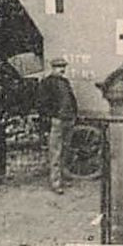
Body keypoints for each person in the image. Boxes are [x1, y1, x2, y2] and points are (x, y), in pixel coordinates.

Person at [37, 56, 77, 194]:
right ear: (53, 68)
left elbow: (70, 99)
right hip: (57, 121)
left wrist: (73, 114)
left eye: (63, 67)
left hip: (68, 119)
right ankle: (55, 182)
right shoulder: (47, 83)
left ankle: (63, 178)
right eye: (59, 67)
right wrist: (52, 116)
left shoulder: (65, 82)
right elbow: (42, 104)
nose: (62, 69)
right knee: (55, 152)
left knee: (65, 151)